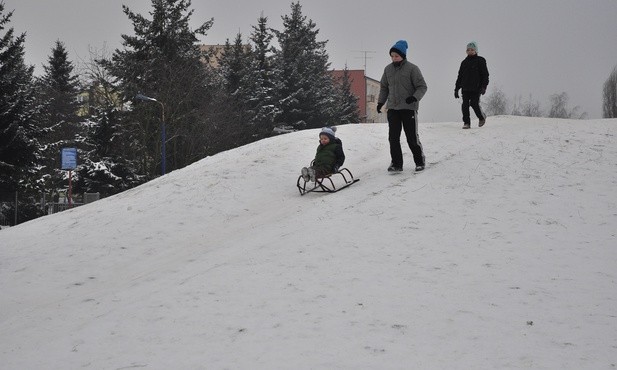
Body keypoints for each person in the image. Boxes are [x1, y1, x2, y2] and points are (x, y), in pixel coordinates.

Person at [377, 39, 428, 172]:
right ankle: (396, 164)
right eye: (392, 56)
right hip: (393, 108)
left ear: (403, 55)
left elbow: (422, 86)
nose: (394, 58)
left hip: (408, 108)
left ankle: (419, 161)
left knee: (411, 137)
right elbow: (384, 87)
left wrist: (415, 97)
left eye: (396, 56)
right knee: (393, 138)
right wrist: (380, 102)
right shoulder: (387, 69)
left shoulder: (412, 68)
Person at [454, 41, 490, 129]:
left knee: (474, 103)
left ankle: (481, 117)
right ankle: (466, 123)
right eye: (468, 50)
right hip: (465, 88)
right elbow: (460, 76)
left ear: (476, 51)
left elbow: (485, 75)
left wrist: (484, 87)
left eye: (472, 50)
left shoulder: (480, 60)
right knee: (465, 105)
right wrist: (456, 89)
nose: (470, 51)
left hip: (476, 88)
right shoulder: (464, 62)